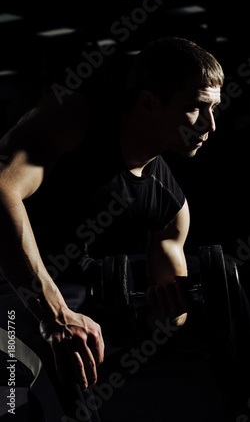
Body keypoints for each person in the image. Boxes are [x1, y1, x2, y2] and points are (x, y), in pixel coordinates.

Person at [0, 37, 223, 415]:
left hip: (55, 310)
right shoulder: (75, 118)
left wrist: (168, 307)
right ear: (149, 102)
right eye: (195, 108)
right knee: (15, 391)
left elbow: (174, 314)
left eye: (215, 108)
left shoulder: (170, 203)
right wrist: (55, 316)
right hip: (15, 292)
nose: (211, 125)